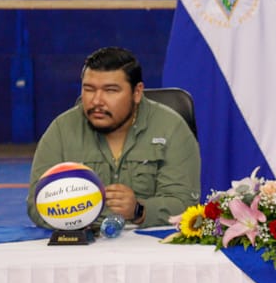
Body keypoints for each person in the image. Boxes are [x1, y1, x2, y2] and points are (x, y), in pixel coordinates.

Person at [27, 47, 201, 229]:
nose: (96, 101)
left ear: (137, 92)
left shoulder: (171, 128)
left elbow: (184, 204)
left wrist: (139, 210)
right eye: (89, 89)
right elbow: (35, 204)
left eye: (110, 90)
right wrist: (77, 215)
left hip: (150, 245)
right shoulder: (61, 130)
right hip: (81, 244)